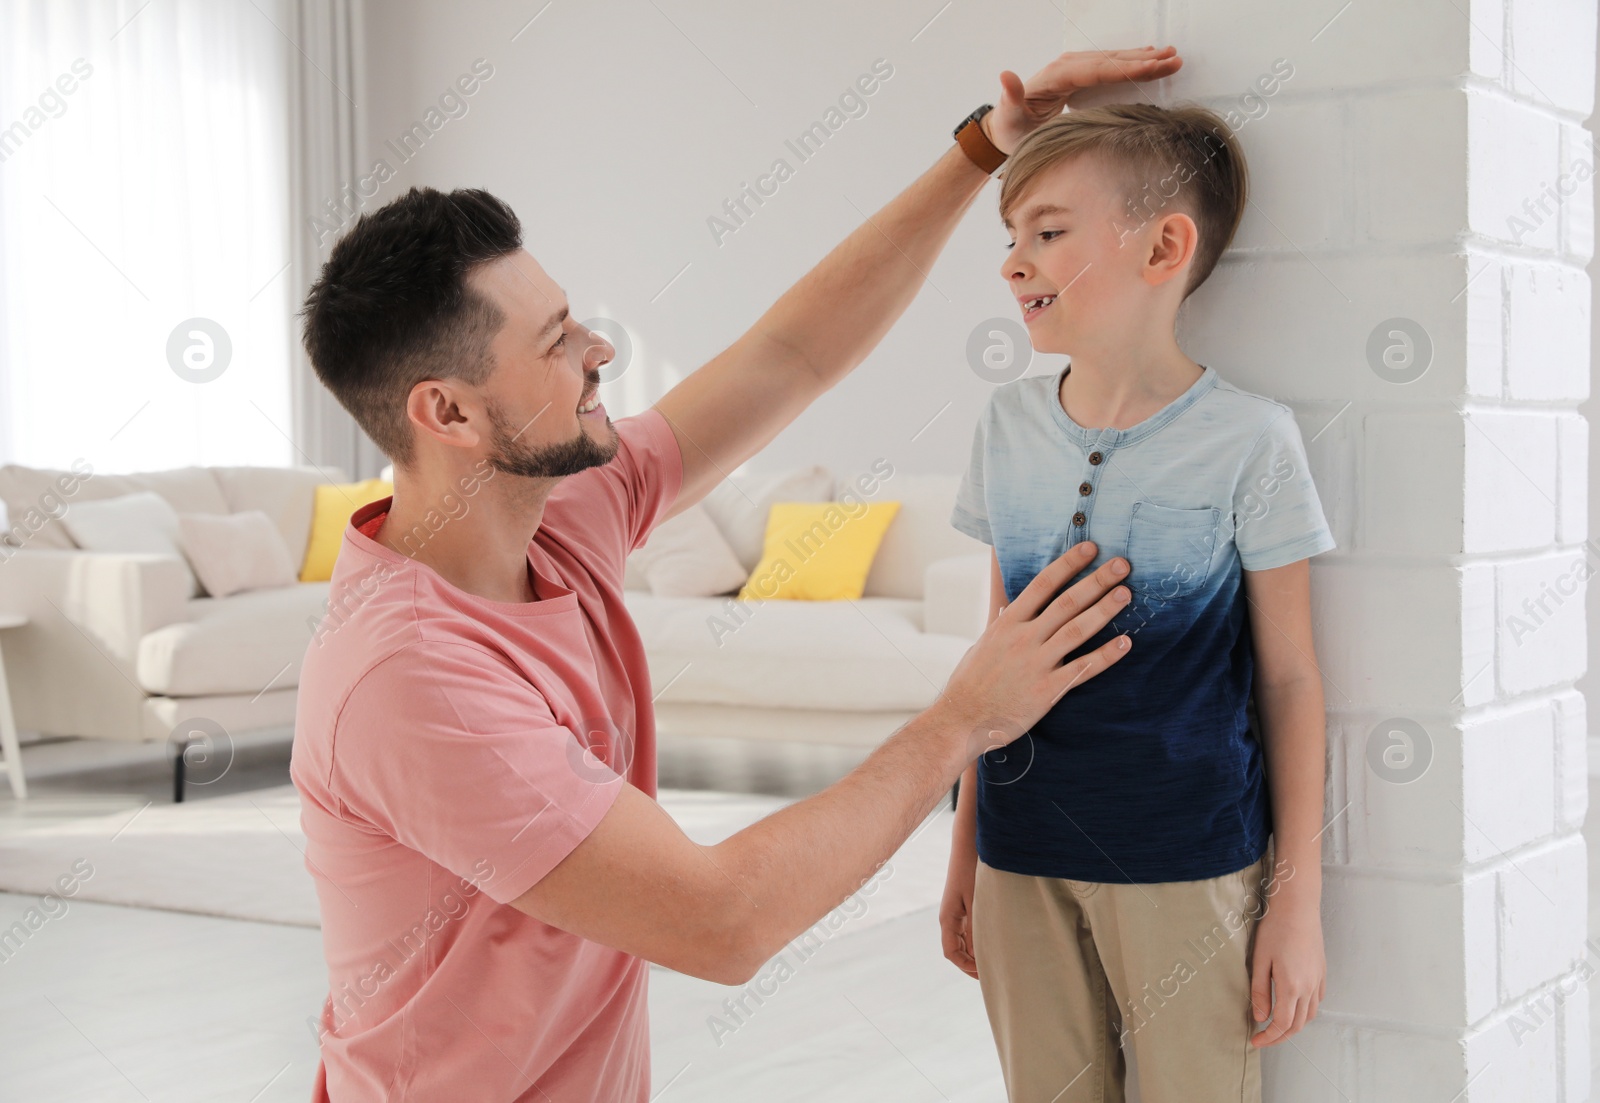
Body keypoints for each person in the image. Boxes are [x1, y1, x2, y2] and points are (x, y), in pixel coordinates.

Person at [289, 47, 1181, 1102]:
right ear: (447, 413)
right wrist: (960, 720)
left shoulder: (558, 511)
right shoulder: (412, 683)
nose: (599, 350)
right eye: (554, 340)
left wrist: (985, 148)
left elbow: (789, 356)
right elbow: (722, 919)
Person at [939, 102, 1335, 1102]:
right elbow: (993, 660)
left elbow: (1288, 679)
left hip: (1186, 861)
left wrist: (1296, 903)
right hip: (1018, 856)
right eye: (1009, 236)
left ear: (1164, 247)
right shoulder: (1005, 425)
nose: (1011, 261)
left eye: (1048, 230)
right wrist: (962, 852)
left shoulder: (1250, 440)